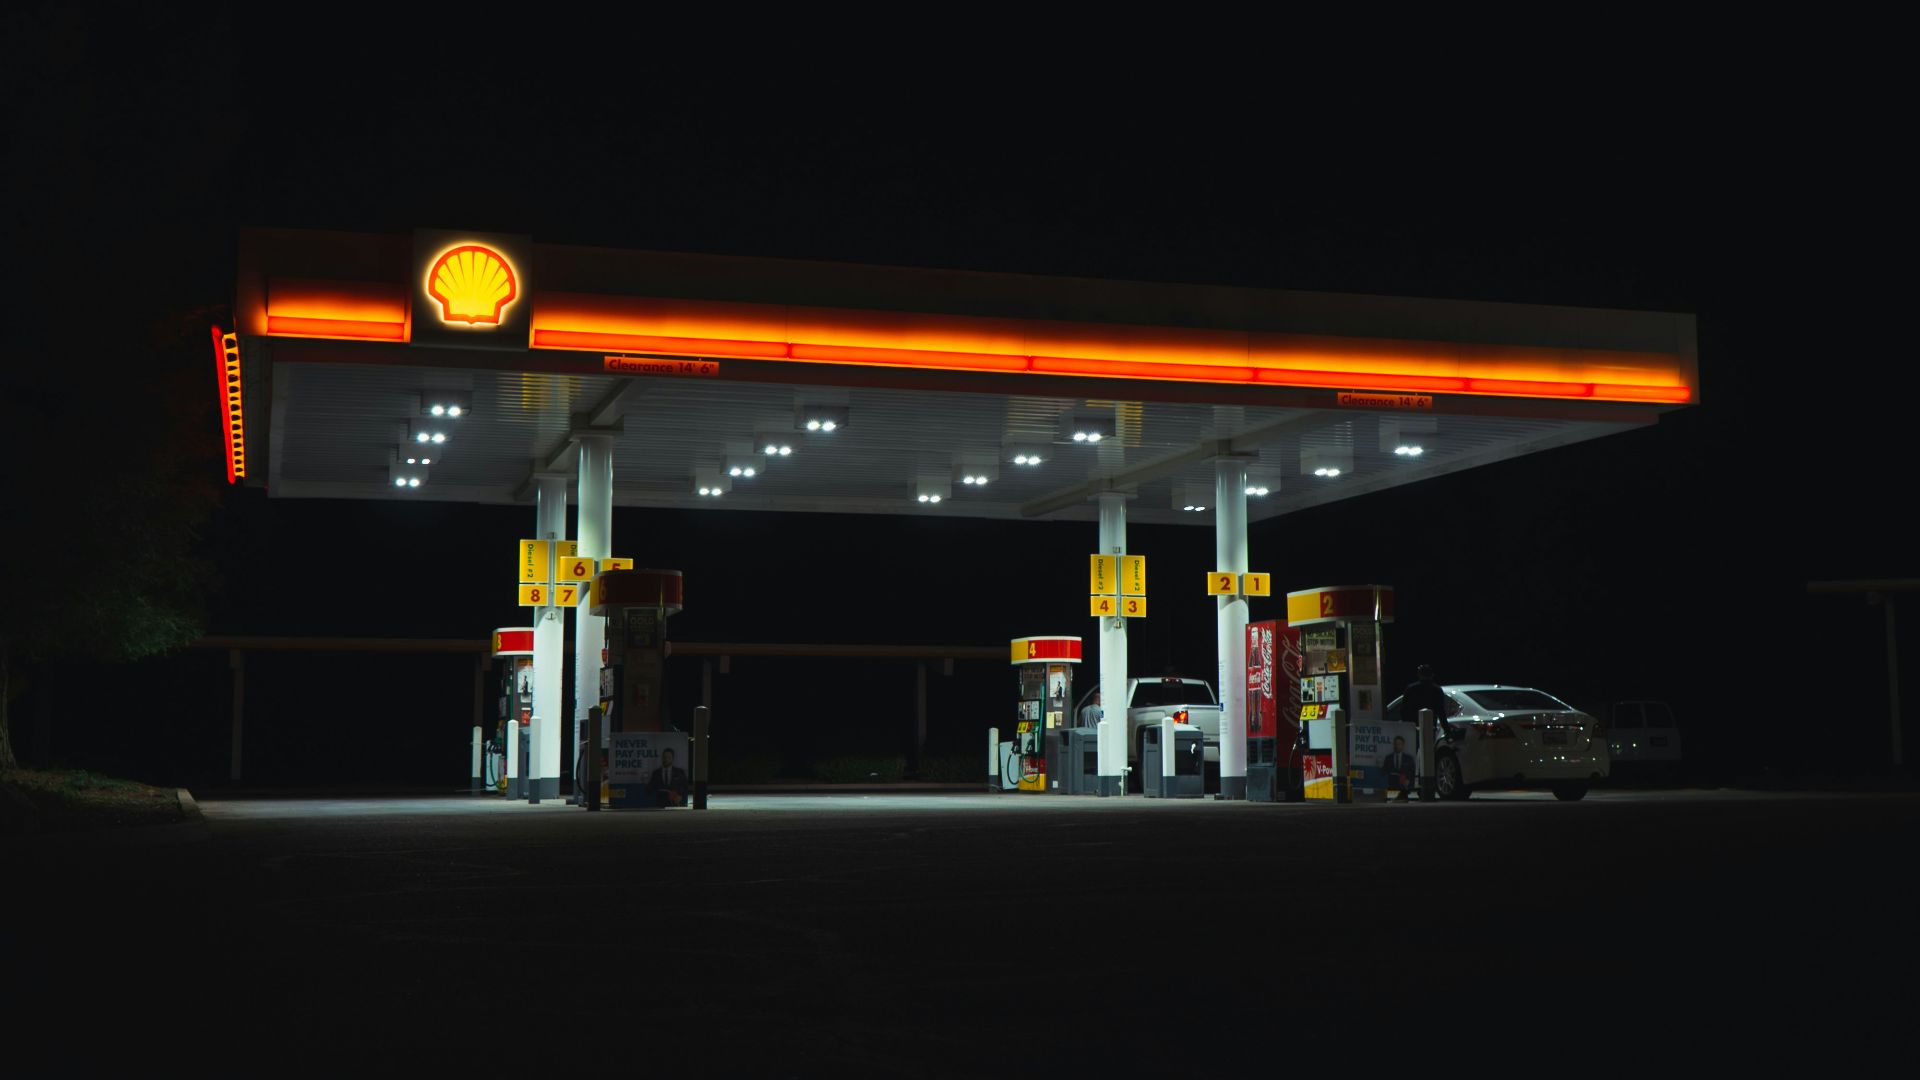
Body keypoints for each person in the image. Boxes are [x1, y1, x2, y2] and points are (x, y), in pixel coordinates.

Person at [1382, 735, 1416, 801]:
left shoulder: (1408, 759)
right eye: (1396, 744)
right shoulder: (1388, 758)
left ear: (1403, 745)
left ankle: (1403, 794)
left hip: (1404, 784)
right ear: (1393, 745)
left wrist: (1408, 780)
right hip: (1391, 784)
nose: (1397, 746)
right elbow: (1384, 771)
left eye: (1399, 744)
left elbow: (1412, 771)